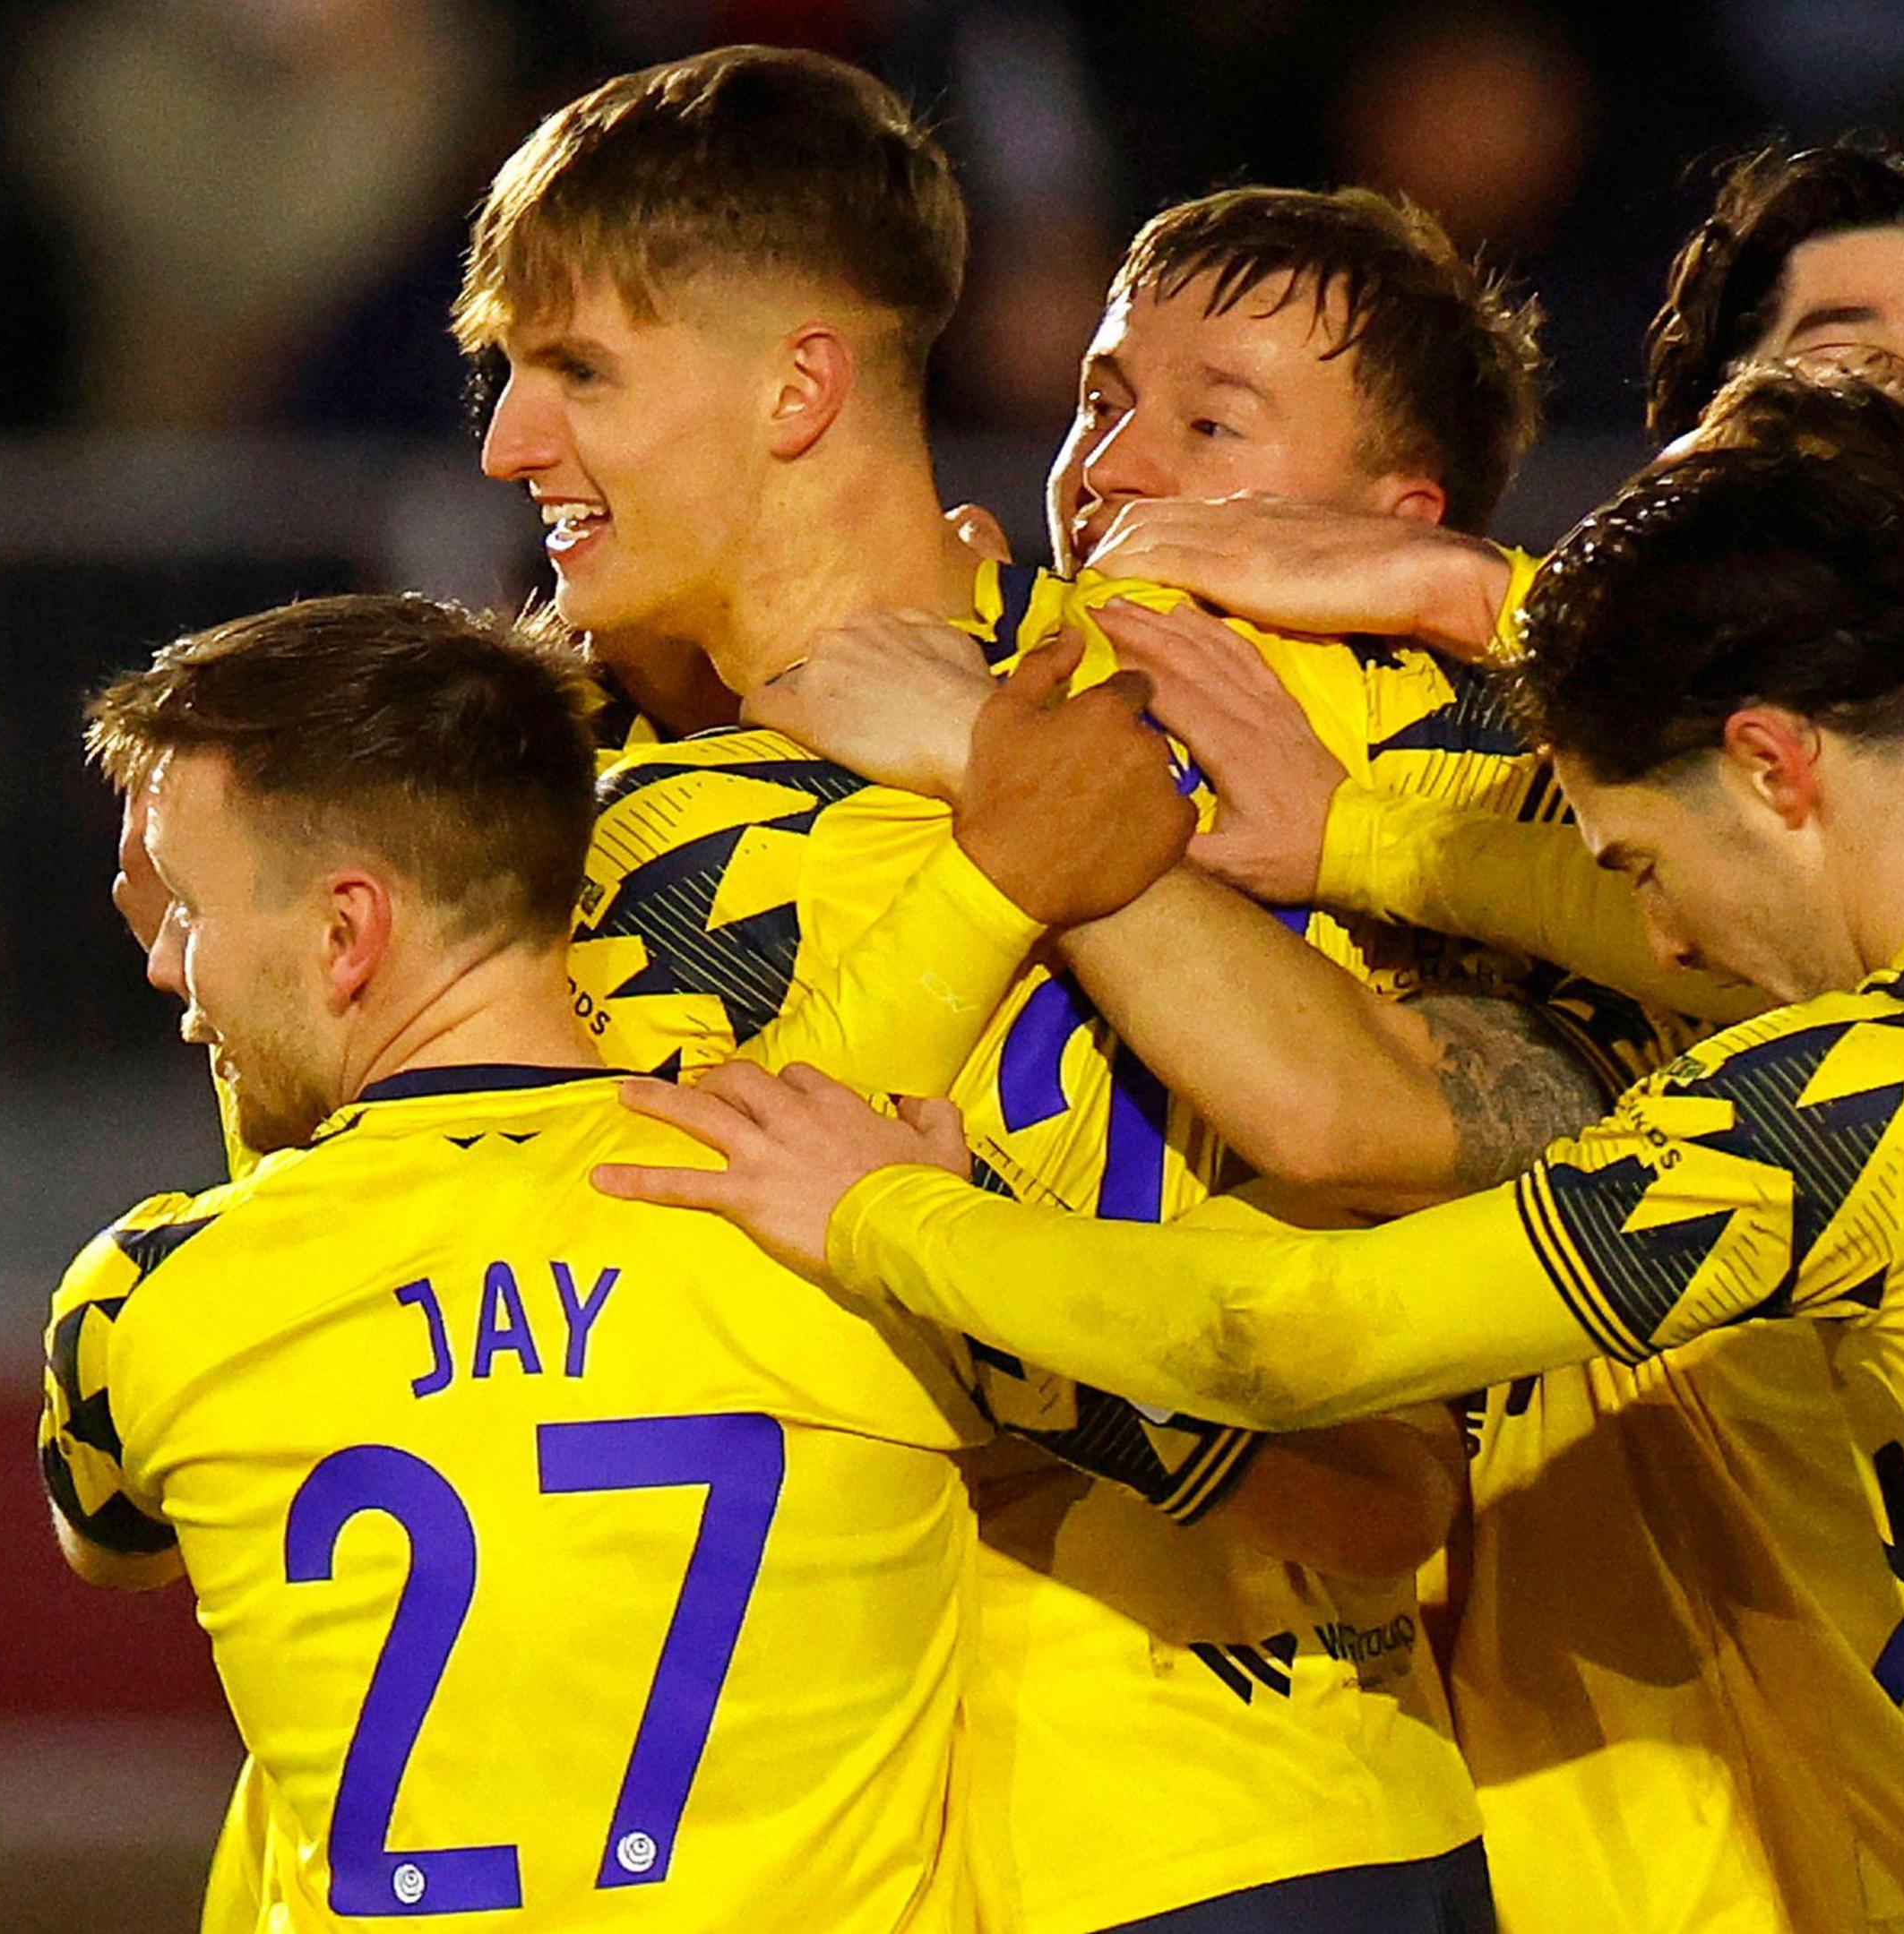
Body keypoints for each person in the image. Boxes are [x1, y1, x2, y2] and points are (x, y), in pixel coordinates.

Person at [606, 365, 1904, 1934]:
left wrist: (886, 1215)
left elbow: (1291, 1333)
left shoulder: (1879, 1096)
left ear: (1773, 762)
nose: (1657, 937)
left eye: (1641, 861)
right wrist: (1367, 827)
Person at [461, 51, 1537, 1930]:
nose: (509, 444)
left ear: (800, 382)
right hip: (810, 1862)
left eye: (577, 372)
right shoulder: (549, 834)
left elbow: (1394, 1133)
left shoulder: (1233, 685)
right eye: (509, 374)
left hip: (1247, 1831)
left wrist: (1000, 764)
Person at [37, 591, 1193, 1926]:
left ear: (348, 935)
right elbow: (1289, 1457)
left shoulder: (144, 1299)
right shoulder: (865, 1219)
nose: (168, 967)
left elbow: (119, 1543)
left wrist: (246, 1044)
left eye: (183, 909)